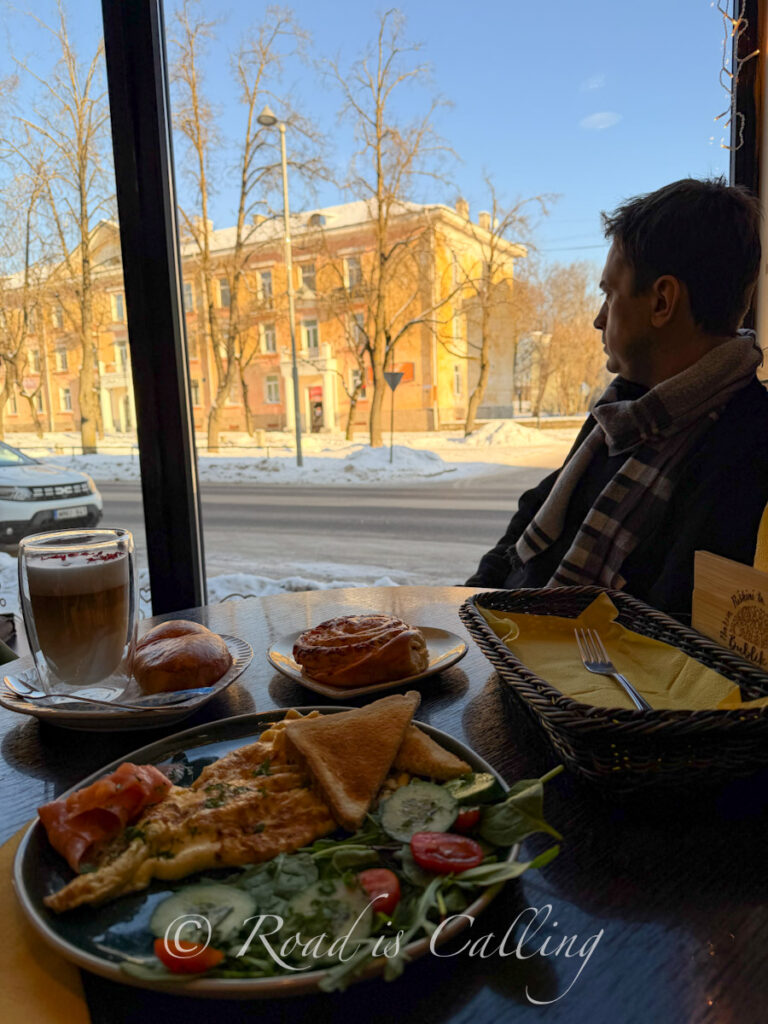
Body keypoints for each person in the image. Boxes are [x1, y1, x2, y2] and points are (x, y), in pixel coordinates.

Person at [466, 177, 768, 622]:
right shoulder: (623, 410)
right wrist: (469, 605)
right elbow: (535, 513)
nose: (598, 318)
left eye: (609, 293)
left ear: (662, 301)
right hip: (516, 638)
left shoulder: (748, 446)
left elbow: (674, 628)